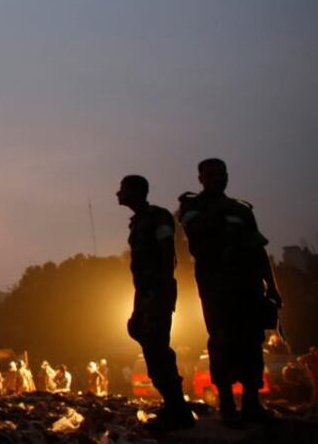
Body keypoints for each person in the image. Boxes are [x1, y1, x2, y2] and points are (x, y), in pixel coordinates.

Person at [177, 158, 282, 424]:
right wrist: (222, 208)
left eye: (221, 174)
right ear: (200, 178)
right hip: (216, 287)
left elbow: (259, 251)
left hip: (247, 286)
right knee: (221, 342)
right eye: (210, 174)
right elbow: (197, 233)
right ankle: (226, 405)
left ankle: (251, 403)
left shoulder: (242, 210)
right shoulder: (192, 207)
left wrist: (272, 286)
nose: (216, 178)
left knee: (251, 343)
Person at [118, 172, 197, 428]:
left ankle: (178, 411)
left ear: (137, 192)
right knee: (150, 346)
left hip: (158, 291)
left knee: (158, 349)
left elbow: (167, 253)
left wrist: (158, 294)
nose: (118, 194)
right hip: (145, 293)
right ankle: (174, 407)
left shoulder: (158, 217)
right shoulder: (139, 221)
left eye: (123, 189)